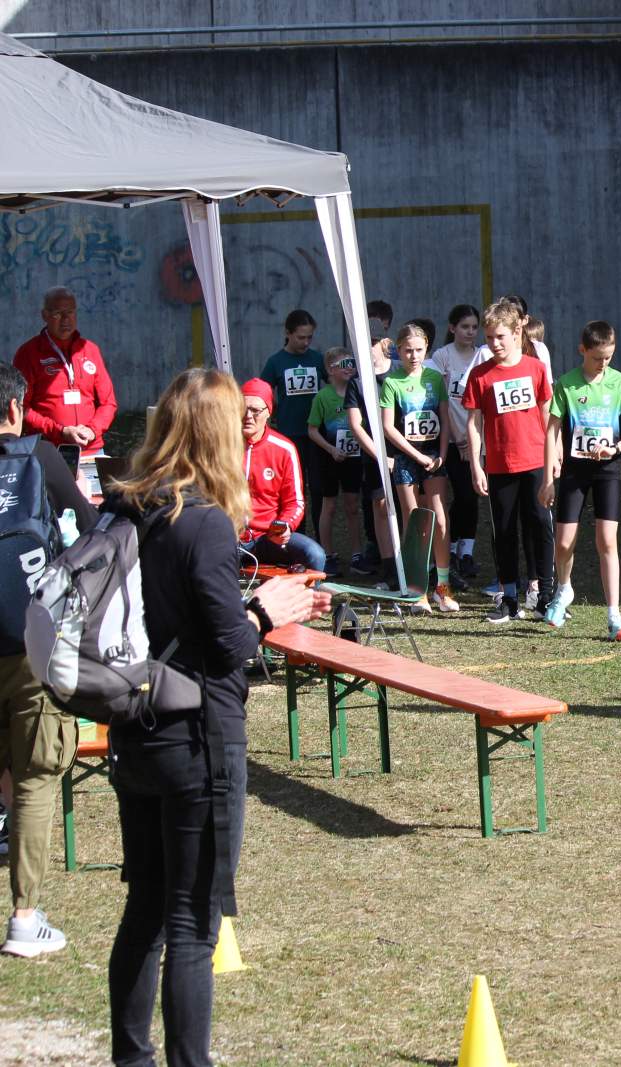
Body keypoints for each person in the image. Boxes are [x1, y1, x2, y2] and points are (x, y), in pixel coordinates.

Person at [102, 367, 330, 1067]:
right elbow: (231, 644)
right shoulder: (200, 521)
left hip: (136, 726)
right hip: (197, 737)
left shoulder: (127, 507)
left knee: (145, 907)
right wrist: (269, 610)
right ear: (216, 434)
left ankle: (131, 1057)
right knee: (192, 923)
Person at [0, 363, 96, 959]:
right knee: (36, 778)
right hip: (31, 644)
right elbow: (91, 529)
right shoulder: (40, 457)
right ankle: (24, 918)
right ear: (16, 408)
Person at [539, 320, 621, 640]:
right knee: (563, 542)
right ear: (582, 350)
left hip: (607, 470)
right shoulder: (567, 384)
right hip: (574, 470)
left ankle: (614, 615)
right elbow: (551, 432)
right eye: (598, 357)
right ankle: (564, 590)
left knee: (607, 540)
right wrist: (547, 478)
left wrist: (616, 447)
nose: (603, 363)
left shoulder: (619, 383)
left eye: (609, 357)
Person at [462, 298, 555, 624]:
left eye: (500, 336)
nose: (494, 344)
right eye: (489, 338)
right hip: (500, 465)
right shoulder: (480, 375)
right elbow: (474, 422)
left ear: (517, 333)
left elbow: (548, 415)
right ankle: (510, 598)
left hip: (535, 461)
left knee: (541, 525)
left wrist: (554, 456)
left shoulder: (536, 369)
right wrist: (476, 464)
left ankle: (546, 596)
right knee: (503, 531)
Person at [381, 324, 457, 612]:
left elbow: (445, 418)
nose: (413, 356)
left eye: (419, 350)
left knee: (440, 519)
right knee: (414, 522)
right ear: (398, 351)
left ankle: (443, 588)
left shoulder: (434, 378)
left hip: (434, 456)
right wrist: (416, 455)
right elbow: (388, 427)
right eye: (407, 351)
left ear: (427, 349)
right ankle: (416, 589)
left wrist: (442, 453)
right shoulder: (392, 382)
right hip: (406, 458)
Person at [12, 285, 119, 461]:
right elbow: (22, 408)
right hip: (49, 450)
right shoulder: (28, 353)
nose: (65, 319)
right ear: (44, 315)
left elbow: (108, 403)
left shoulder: (90, 350)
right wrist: (60, 431)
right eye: (57, 314)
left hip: (91, 450)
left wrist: (92, 430)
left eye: (70, 312)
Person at [238, 379, 326, 574]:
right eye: (242, 409)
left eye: (255, 410)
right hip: (231, 537)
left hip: (268, 536)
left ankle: (307, 595)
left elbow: (295, 502)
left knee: (315, 554)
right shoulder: (222, 446)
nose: (248, 416)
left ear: (268, 412)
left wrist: (285, 525)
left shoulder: (284, 448)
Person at [428, 304, 485, 579]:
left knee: (470, 495)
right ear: (452, 328)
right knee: (456, 494)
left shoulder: (482, 355)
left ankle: (466, 552)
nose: (470, 332)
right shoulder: (442, 356)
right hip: (449, 440)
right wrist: (456, 437)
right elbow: (442, 402)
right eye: (465, 327)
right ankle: (448, 548)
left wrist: (472, 439)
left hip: (475, 438)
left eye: (474, 327)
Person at [259, 310, 326, 538]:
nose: (306, 342)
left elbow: (334, 386)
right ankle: (296, 536)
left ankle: (321, 540)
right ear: (288, 333)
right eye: (301, 337)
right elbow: (262, 392)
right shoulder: (276, 362)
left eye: (309, 337)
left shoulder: (317, 359)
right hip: (289, 435)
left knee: (318, 488)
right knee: (294, 490)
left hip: (316, 434)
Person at [304, 347, 365, 578]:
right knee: (328, 506)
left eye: (352, 363)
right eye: (344, 364)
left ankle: (357, 554)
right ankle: (327, 555)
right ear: (330, 370)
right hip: (329, 459)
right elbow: (312, 430)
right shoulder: (323, 397)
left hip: (354, 458)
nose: (350, 367)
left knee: (352, 505)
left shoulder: (358, 392)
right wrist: (331, 449)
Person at [345, 338, 398, 588]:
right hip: (375, 455)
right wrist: (380, 457)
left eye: (371, 342)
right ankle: (389, 568)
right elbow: (356, 425)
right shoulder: (357, 382)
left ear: (384, 343)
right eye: (361, 343)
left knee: (411, 508)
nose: (365, 348)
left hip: (407, 450)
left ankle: (417, 565)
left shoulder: (399, 370)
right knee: (381, 507)